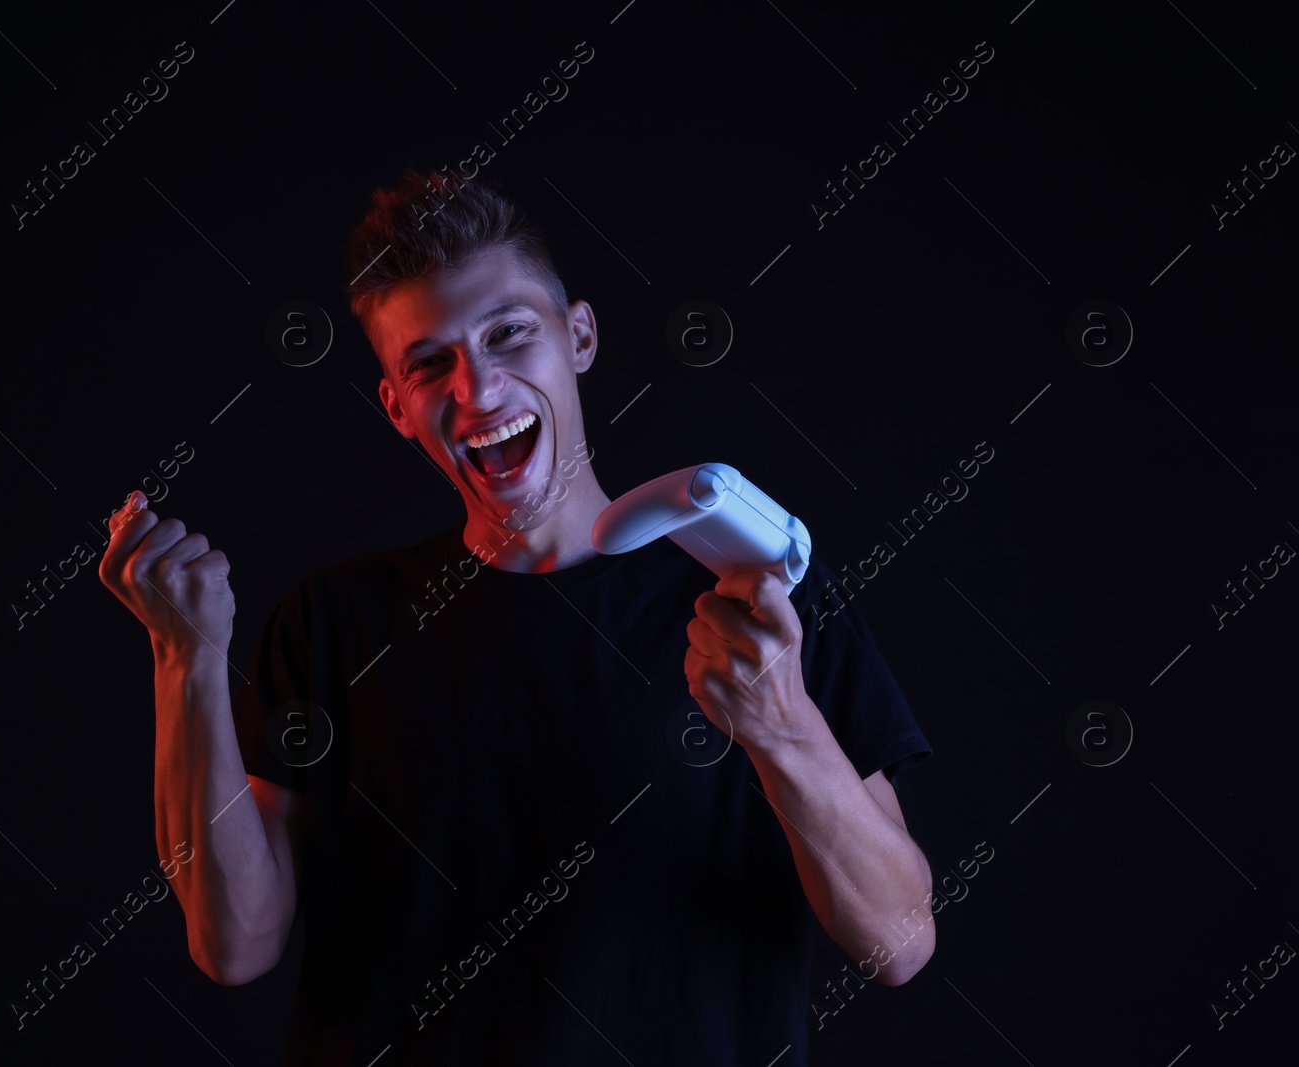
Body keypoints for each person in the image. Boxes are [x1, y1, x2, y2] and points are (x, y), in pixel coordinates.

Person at [99, 170, 936, 1065]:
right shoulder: (334, 621)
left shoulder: (758, 592)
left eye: (509, 334)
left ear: (579, 335)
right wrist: (185, 652)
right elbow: (234, 945)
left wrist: (783, 730)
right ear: (396, 407)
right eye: (430, 364)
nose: (480, 388)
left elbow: (900, 943)